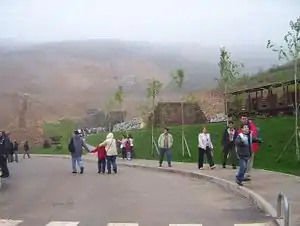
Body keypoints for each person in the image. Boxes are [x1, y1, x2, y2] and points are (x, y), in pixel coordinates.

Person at [240, 116, 259, 181]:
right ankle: (242, 174)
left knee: (250, 161)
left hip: (251, 147)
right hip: (243, 148)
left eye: (245, 118)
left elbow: (253, 133)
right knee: (244, 161)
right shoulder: (241, 127)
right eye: (243, 119)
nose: (244, 120)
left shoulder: (251, 125)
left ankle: (246, 174)